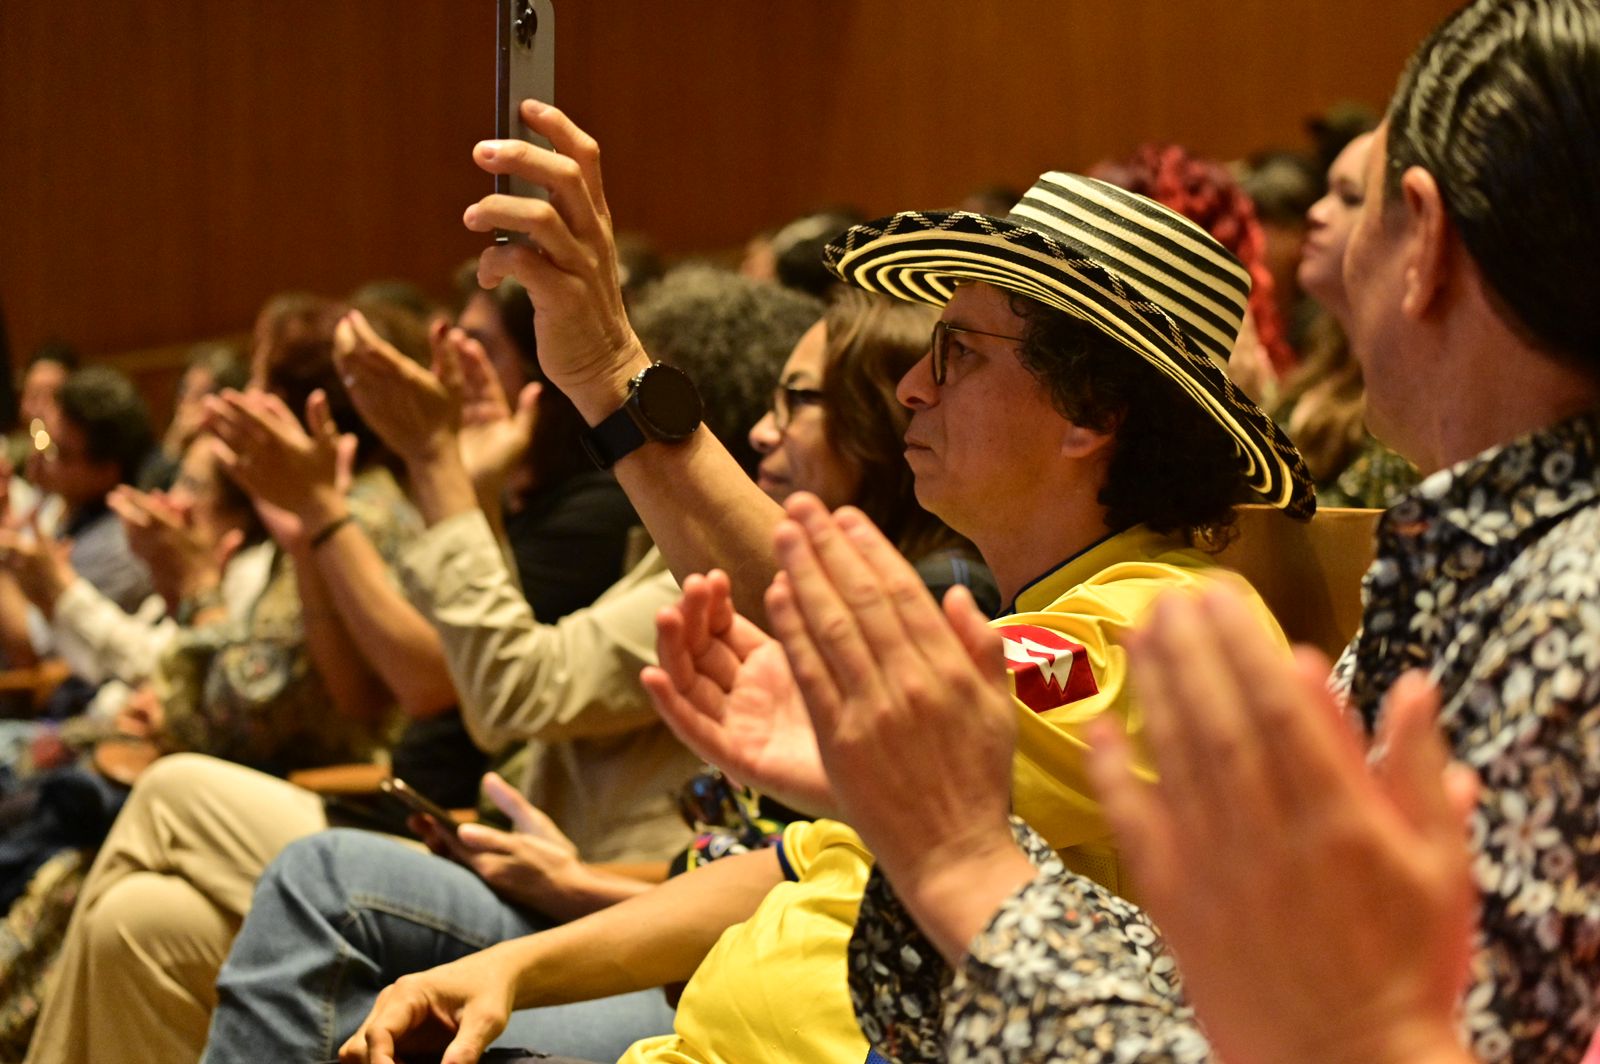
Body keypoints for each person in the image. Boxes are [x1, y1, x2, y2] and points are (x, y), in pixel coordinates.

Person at [329, 103, 1312, 1064]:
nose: (912, 388)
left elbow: (928, 706)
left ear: (1088, 409)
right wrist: (509, 966)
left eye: (957, 354)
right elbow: (813, 862)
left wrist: (612, 368)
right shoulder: (1055, 612)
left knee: (314, 885)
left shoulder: (1174, 618)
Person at [804, 1, 1600, 1061]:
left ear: (1424, 239)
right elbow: (1222, 1000)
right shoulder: (1481, 573)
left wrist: (963, 866)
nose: (907, 388)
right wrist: (950, 853)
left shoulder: (1558, 609)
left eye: (956, 352)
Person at [17, 268, 816, 1064]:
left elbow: (471, 690)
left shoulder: (696, 554)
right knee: (144, 924)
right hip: (498, 846)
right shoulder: (609, 523)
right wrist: (422, 503)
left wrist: (406, 480)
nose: (480, 380)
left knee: (179, 797)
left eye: (494, 354)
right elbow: (436, 682)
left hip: (562, 882)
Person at [199, 276, 997, 1064]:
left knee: (286, 870)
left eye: (798, 401)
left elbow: (487, 689)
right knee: (154, 912)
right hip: (623, 917)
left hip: (668, 957)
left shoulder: (945, 604)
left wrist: (419, 470)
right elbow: (795, 860)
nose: (760, 431)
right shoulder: (708, 552)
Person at [1273, 131, 1418, 507]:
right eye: (1325, 192)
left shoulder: (1408, 404)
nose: (1316, 213)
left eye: (1350, 197)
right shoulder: (1320, 360)